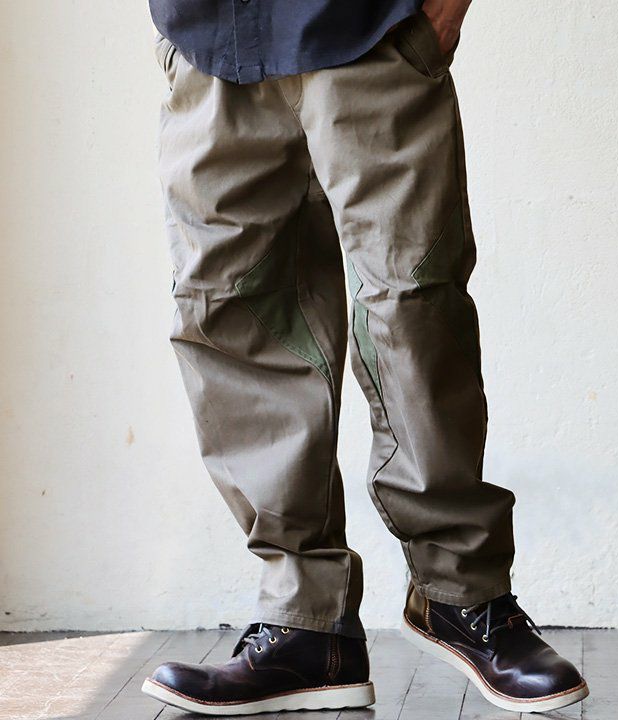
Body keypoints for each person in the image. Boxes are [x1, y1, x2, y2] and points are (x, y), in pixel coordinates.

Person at [141, 0, 589, 715]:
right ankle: (305, 625)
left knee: (414, 305)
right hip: (212, 36)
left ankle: (461, 595)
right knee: (229, 315)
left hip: (371, 23)